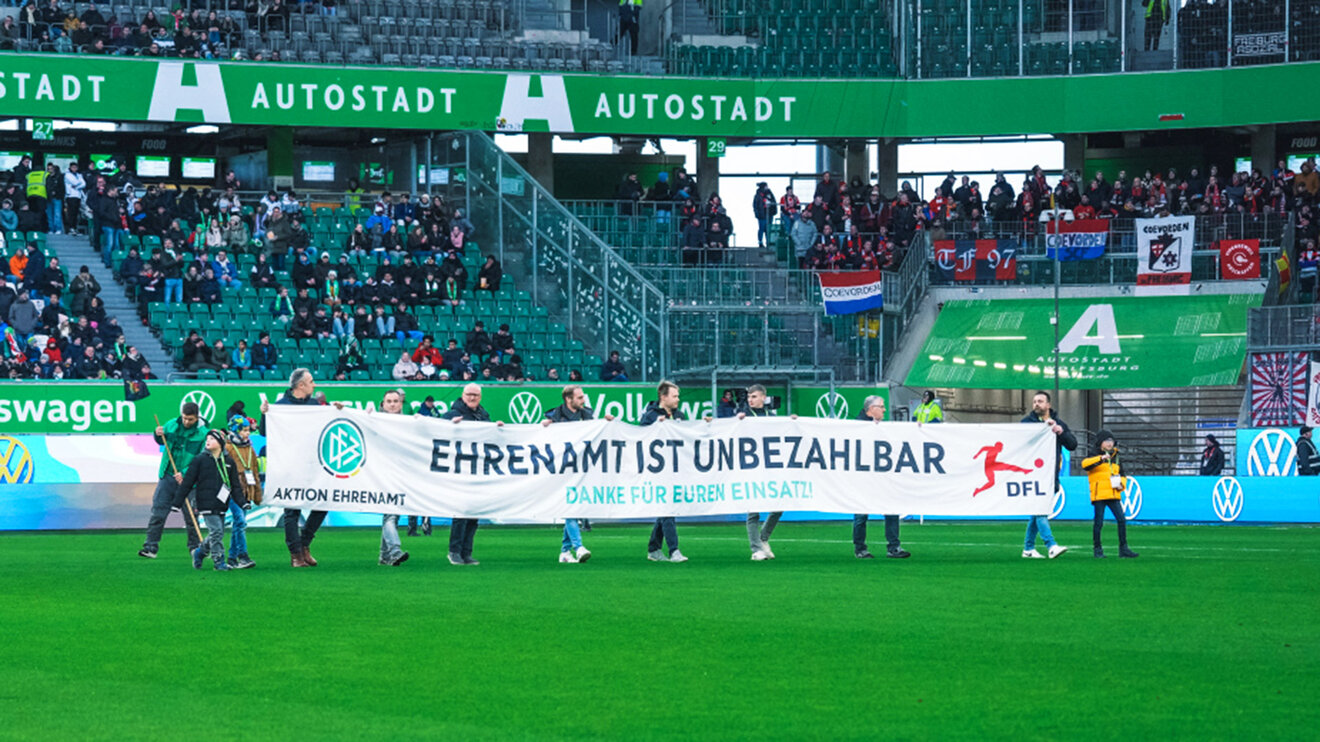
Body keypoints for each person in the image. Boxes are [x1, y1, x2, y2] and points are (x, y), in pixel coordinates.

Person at [260, 368, 328, 567]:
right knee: (292, 510)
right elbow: (265, 432)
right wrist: (265, 414)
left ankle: (305, 543)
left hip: (313, 465)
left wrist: (338, 409)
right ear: (301, 385)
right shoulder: (281, 406)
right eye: (311, 381)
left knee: (323, 502)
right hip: (289, 466)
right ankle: (296, 554)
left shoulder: (316, 405)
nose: (314, 385)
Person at [543, 384, 614, 563]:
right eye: (580, 397)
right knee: (571, 507)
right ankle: (578, 547)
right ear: (569, 399)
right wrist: (544, 427)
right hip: (562, 470)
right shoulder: (554, 417)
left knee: (573, 507)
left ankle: (565, 552)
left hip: (582, 469)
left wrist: (606, 423)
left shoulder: (587, 415)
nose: (584, 400)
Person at [442, 383, 502, 565]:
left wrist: (496, 428)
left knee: (473, 513)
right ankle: (454, 551)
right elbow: (437, 431)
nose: (472, 397)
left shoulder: (483, 415)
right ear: (462, 395)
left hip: (477, 471)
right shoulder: (452, 414)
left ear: (480, 397)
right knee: (461, 513)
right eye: (469, 394)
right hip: (459, 470)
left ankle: (466, 552)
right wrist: (450, 427)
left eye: (476, 395)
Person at [138, 402, 207, 559]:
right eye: (184, 418)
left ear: (197, 417)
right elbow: (161, 441)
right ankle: (150, 547)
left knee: (191, 517)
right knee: (158, 512)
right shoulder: (170, 425)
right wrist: (157, 433)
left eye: (190, 419)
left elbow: (201, 459)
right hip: (168, 475)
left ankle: (195, 548)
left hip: (189, 481)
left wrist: (185, 474)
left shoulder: (203, 434)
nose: (186, 422)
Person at [177, 429, 245, 572]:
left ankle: (199, 552)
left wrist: (243, 502)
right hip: (205, 502)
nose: (208, 441)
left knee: (216, 532)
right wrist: (177, 503)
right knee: (217, 532)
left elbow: (235, 486)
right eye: (207, 439)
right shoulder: (199, 460)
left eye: (212, 439)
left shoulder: (229, 462)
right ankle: (219, 561)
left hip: (221, 503)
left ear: (221, 443)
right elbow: (187, 482)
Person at [853, 396, 910, 559]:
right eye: (882, 406)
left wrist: (919, 429)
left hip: (882, 477)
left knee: (891, 510)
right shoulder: (855, 427)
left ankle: (893, 547)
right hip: (863, 478)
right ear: (871, 409)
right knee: (861, 516)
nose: (885, 410)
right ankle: (860, 548)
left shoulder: (884, 428)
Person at [1020, 391, 1075, 559]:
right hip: (1032, 474)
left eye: (1040, 401)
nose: (1036, 404)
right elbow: (1019, 443)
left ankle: (1028, 549)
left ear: (1048, 405)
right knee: (1040, 508)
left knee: (1037, 511)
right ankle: (1051, 545)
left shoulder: (1058, 423)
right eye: (1035, 401)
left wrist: (1060, 432)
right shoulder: (1026, 424)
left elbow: (1072, 444)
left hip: (1050, 474)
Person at [640, 380, 688, 563]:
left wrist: (706, 425)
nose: (678, 400)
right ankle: (674, 550)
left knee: (666, 509)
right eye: (675, 396)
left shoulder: (680, 416)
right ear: (663, 397)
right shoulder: (650, 416)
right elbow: (640, 438)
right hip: (657, 470)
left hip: (676, 469)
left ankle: (654, 548)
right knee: (668, 508)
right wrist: (655, 427)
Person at [741, 384, 782, 560]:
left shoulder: (771, 417)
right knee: (753, 510)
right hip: (750, 467)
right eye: (749, 397)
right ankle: (756, 549)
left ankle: (763, 538)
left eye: (754, 396)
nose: (750, 400)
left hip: (770, 468)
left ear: (763, 398)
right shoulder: (743, 416)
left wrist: (793, 422)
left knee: (780, 506)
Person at [1082, 430, 1138, 558]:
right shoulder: (1093, 454)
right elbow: (1085, 465)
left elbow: (1123, 474)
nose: (1109, 443)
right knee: (1098, 522)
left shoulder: (1116, 456)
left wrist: (1121, 485)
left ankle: (1123, 548)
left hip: (1113, 493)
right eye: (1106, 441)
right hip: (1099, 494)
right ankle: (1097, 549)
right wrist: (1100, 458)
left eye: (1111, 441)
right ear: (1100, 443)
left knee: (1121, 520)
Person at [376, 389, 411, 566]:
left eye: (395, 401)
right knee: (390, 515)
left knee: (392, 516)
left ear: (401, 403)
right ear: (383, 404)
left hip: (401, 474)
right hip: (383, 474)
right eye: (389, 401)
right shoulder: (375, 421)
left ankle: (384, 556)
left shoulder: (408, 423)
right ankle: (395, 551)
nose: (392, 404)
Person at [223, 415, 261, 569]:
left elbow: (255, 472)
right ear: (235, 430)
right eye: (244, 430)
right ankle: (243, 555)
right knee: (240, 522)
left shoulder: (250, 448)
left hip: (247, 490)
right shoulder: (228, 448)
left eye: (247, 430)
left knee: (238, 524)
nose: (247, 433)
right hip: (233, 491)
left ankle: (231, 558)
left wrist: (257, 493)